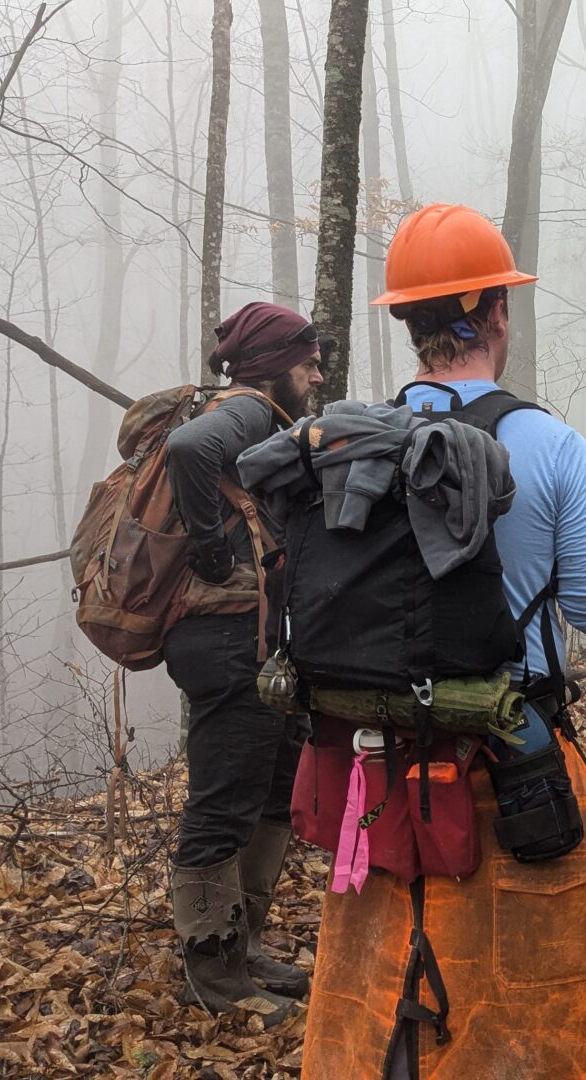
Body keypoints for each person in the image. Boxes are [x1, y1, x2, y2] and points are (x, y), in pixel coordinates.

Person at [296, 203, 586, 1079]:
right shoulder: (548, 443)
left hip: (370, 766)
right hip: (508, 766)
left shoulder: (351, 448)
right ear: (496, 313)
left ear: (408, 321)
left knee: (384, 967)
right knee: (526, 988)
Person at [164, 301, 328, 1022]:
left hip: (254, 641)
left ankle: (244, 945)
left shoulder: (263, 418)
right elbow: (188, 450)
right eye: (308, 360)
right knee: (223, 805)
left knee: (271, 793)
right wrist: (209, 553)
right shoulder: (249, 412)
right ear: (271, 365)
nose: (318, 372)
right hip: (229, 642)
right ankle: (215, 978)